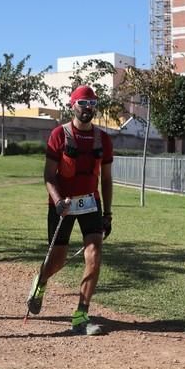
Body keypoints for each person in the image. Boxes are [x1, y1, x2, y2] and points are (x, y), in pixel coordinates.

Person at [27, 85, 113, 335]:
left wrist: (107, 214)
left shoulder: (103, 140)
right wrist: (57, 201)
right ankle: (40, 282)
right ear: (72, 105)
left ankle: (80, 316)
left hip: (90, 203)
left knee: (94, 254)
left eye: (92, 104)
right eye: (82, 103)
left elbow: (106, 179)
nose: (87, 108)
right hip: (62, 204)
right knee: (57, 260)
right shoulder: (58, 135)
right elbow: (48, 175)